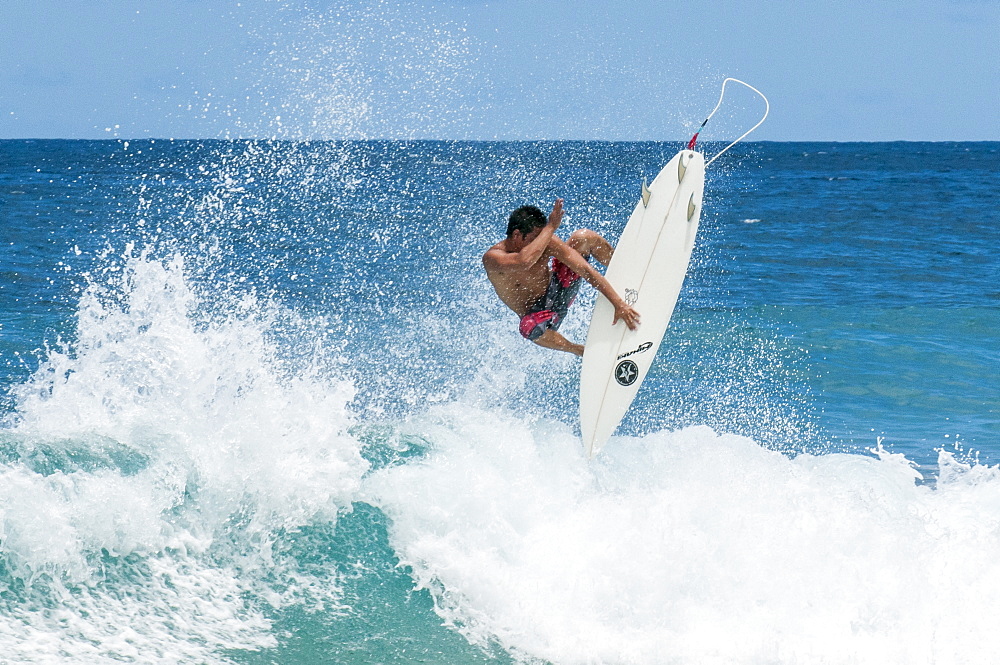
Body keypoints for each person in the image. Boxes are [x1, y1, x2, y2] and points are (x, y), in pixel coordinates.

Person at [482, 198, 640, 357]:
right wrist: (550, 227)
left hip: (561, 289)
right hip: (543, 318)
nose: (541, 242)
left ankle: (630, 270)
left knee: (583, 238)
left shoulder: (546, 240)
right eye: (534, 239)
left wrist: (619, 304)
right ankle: (582, 351)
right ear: (517, 235)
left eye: (541, 236)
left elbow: (585, 270)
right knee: (528, 327)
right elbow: (524, 261)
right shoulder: (493, 259)